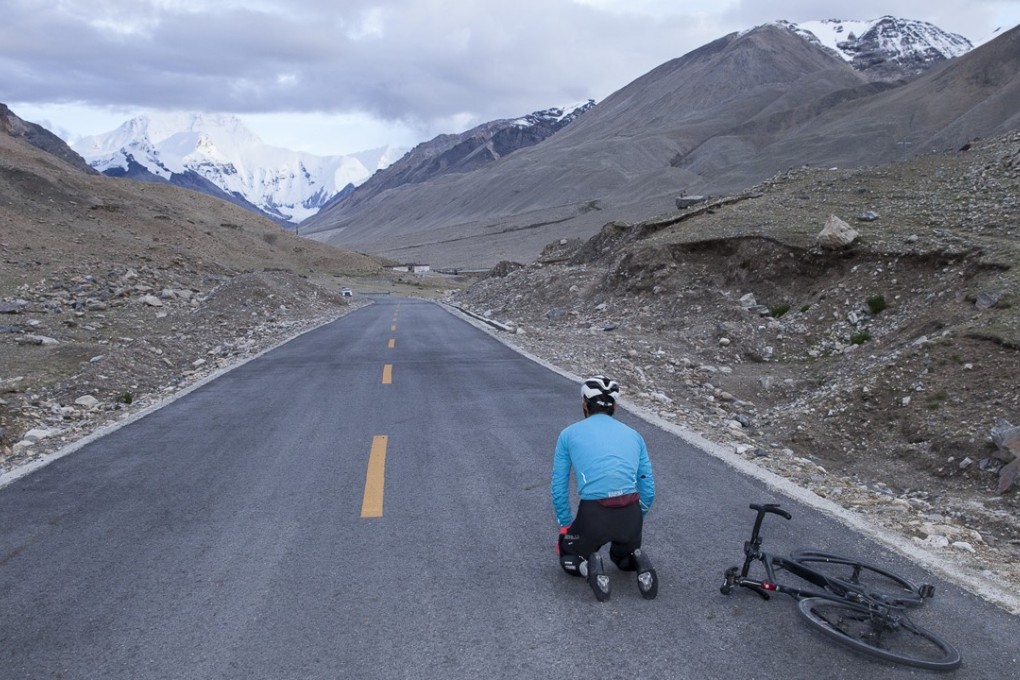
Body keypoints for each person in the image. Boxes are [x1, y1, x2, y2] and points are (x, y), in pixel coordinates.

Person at [551, 375, 657, 602]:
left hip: (593, 515)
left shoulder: (568, 434)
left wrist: (565, 526)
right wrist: (638, 516)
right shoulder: (634, 435)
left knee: (568, 557)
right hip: (630, 513)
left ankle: (590, 569)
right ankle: (637, 559)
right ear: (615, 406)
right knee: (622, 559)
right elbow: (648, 489)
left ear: (584, 404)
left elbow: (559, 486)